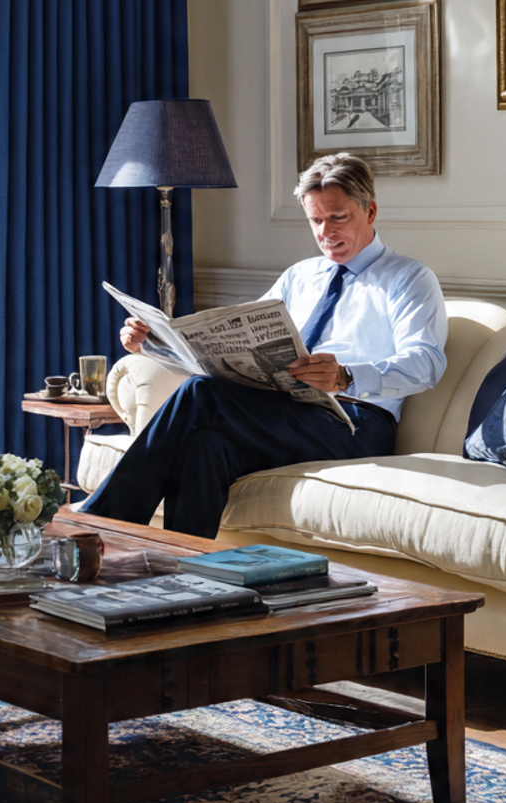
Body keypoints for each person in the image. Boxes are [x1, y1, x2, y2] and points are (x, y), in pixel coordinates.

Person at [76, 153, 447, 537]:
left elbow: (427, 363)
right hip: (283, 411)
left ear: (370, 212)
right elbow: (225, 346)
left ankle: (103, 524)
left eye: (338, 218)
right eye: (315, 220)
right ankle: (186, 576)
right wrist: (154, 346)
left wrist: (347, 375)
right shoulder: (299, 276)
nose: (325, 232)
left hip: (356, 423)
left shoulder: (409, 278)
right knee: (204, 445)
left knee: (203, 393)